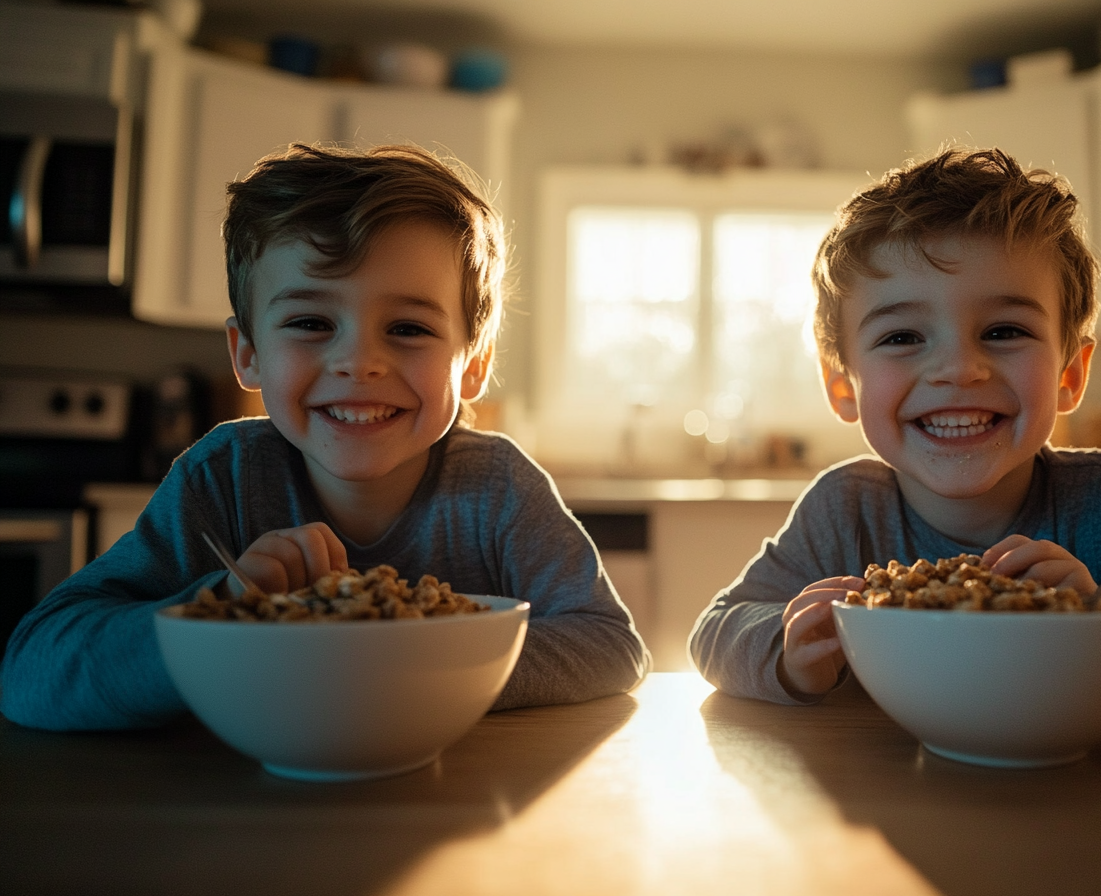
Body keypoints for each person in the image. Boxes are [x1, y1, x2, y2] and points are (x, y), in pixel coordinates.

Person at [1, 143, 649, 731]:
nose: (358, 362)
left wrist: (404, 667)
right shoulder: (221, 476)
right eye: (311, 321)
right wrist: (221, 617)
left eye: (409, 329)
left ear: (473, 363)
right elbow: (30, 671)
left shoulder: (499, 487)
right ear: (248, 353)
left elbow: (611, 645)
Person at [688, 147, 1101, 720]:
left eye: (1004, 331)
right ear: (844, 387)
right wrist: (789, 652)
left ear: (1070, 374)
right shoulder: (844, 512)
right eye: (902, 337)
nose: (960, 369)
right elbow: (715, 631)